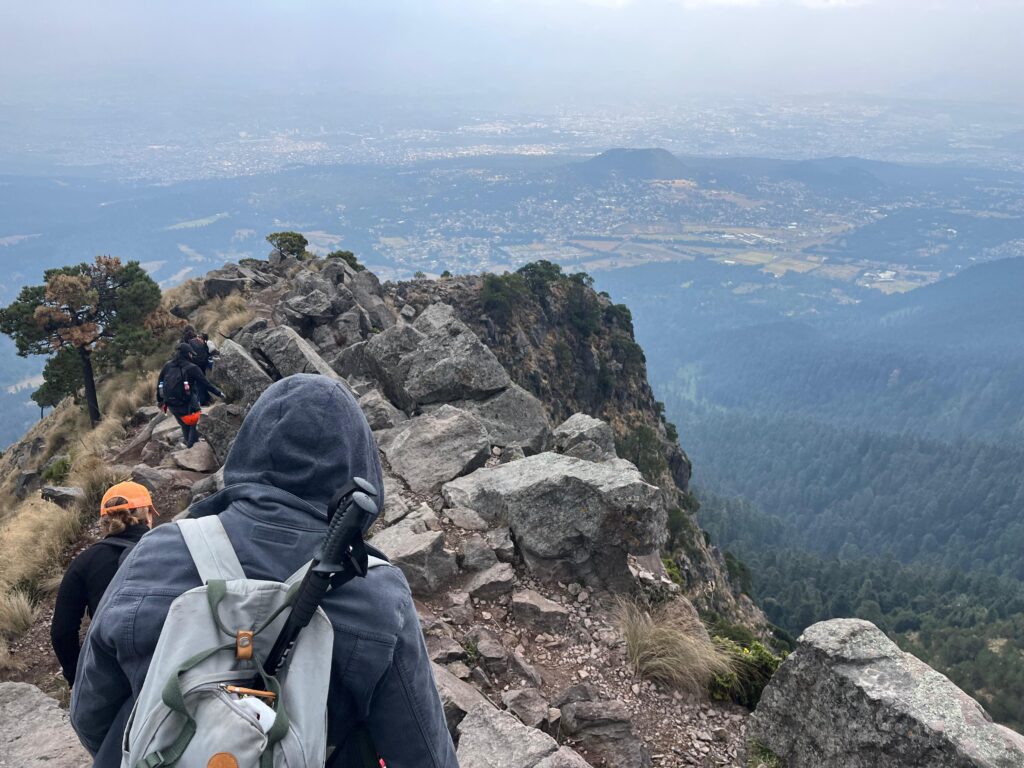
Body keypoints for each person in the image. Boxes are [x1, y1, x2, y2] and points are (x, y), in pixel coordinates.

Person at [71, 374, 457, 768]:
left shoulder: (155, 554)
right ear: (360, 472)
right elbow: (424, 756)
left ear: (249, 448)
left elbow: (89, 714)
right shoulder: (375, 591)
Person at [50, 482, 158, 689]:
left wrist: (78, 679)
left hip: (117, 677)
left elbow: (62, 632)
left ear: (104, 523)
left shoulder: (85, 562)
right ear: (148, 515)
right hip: (171, 664)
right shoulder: (172, 547)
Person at [156, 342, 224, 448]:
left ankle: (189, 445)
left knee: (184, 425)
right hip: (187, 403)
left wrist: (160, 400)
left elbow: (160, 382)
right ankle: (191, 447)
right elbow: (206, 384)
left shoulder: (167, 365)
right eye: (191, 354)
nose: (192, 356)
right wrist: (219, 393)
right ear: (188, 354)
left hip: (171, 404)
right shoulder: (192, 367)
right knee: (193, 423)